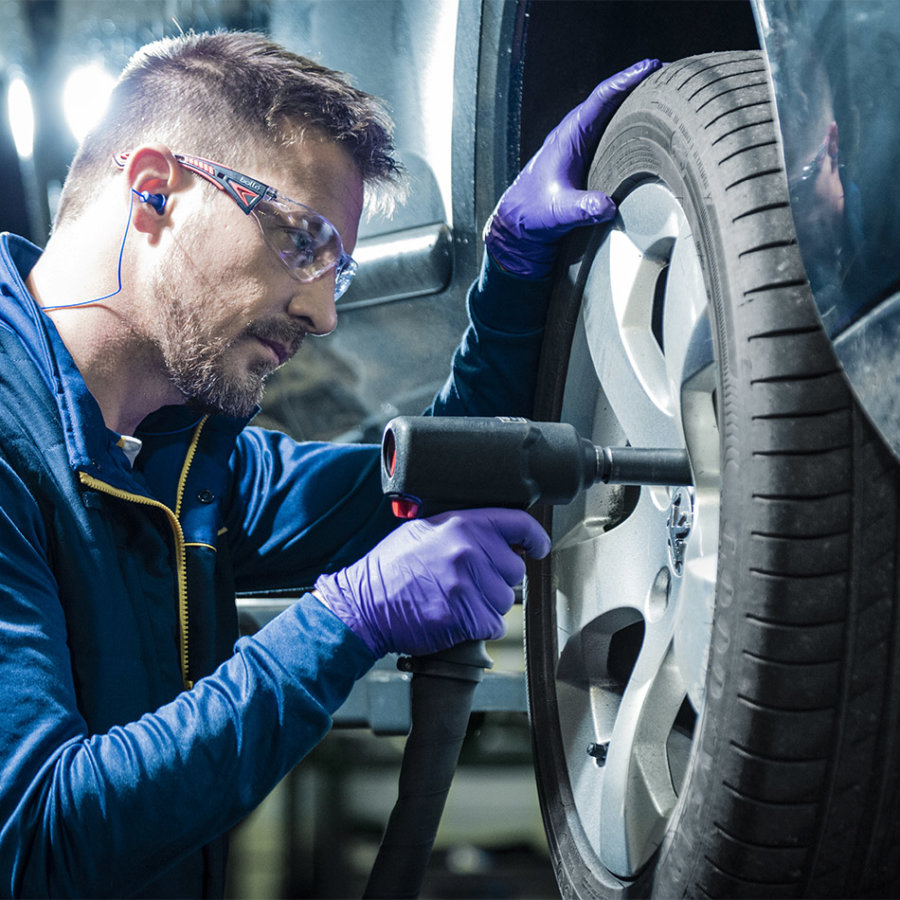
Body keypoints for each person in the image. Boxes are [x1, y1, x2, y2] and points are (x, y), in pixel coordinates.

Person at [0, 30, 658, 898]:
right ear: (154, 190)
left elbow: (409, 486)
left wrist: (513, 274)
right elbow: (37, 841)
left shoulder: (181, 459)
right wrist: (342, 622)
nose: (323, 313)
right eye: (303, 241)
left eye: (338, 271)